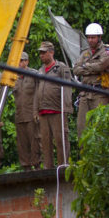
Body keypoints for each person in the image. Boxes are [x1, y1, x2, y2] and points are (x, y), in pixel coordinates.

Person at [34, 41, 73, 169]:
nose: (41, 55)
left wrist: (66, 108)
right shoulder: (40, 71)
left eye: (44, 52)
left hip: (57, 110)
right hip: (43, 111)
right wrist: (35, 111)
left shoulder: (61, 68)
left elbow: (67, 88)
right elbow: (37, 91)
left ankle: (64, 166)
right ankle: (48, 168)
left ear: (51, 52)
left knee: (61, 140)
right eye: (40, 53)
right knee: (45, 142)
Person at [73, 22, 109, 136]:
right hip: (85, 93)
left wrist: (85, 66)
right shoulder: (85, 52)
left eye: (93, 37)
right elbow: (75, 69)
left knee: (99, 127)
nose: (90, 40)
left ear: (99, 37)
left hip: (100, 93)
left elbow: (101, 66)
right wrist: (92, 68)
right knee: (81, 128)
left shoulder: (107, 51)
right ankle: (83, 153)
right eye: (89, 37)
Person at [13, 52, 41, 170]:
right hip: (20, 115)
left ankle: (37, 166)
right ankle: (26, 167)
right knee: (22, 144)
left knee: (35, 141)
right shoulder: (13, 77)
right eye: (18, 60)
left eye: (22, 60)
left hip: (32, 115)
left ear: (27, 62)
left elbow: (40, 93)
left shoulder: (34, 75)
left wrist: (37, 111)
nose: (20, 63)